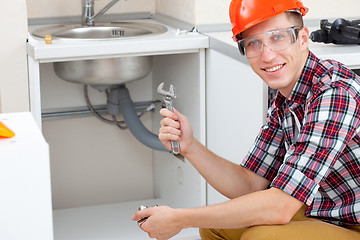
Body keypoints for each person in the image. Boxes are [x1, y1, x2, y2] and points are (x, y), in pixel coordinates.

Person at [132, 0, 360, 239]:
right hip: (327, 211)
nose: (267, 55)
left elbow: (280, 206)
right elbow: (250, 185)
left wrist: (180, 218)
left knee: (259, 237)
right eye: (253, 43)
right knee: (214, 227)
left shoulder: (335, 92)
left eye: (277, 37)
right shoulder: (286, 100)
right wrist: (190, 146)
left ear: (302, 39)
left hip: (353, 222)